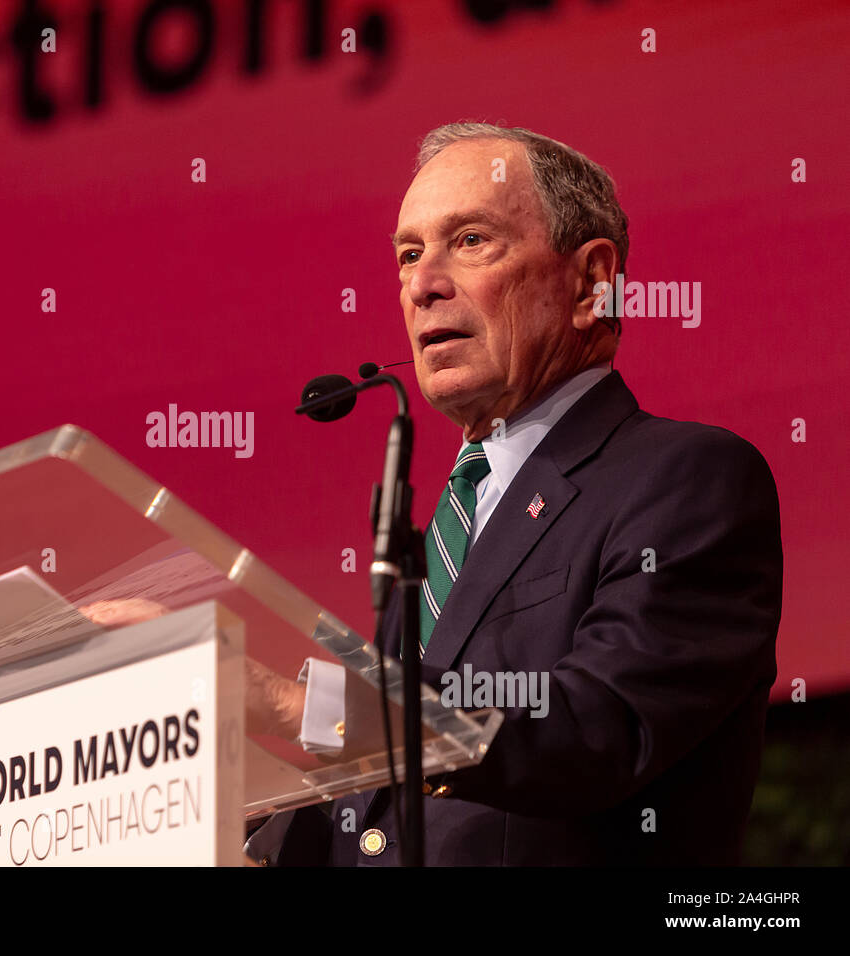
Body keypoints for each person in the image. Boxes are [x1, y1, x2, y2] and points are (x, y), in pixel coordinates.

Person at [246, 122, 783, 865]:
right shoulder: (440, 535)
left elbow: (597, 727)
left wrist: (289, 702)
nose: (422, 283)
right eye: (408, 254)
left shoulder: (686, 480)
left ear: (592, 282)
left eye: (470, 241)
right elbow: (378, 809)